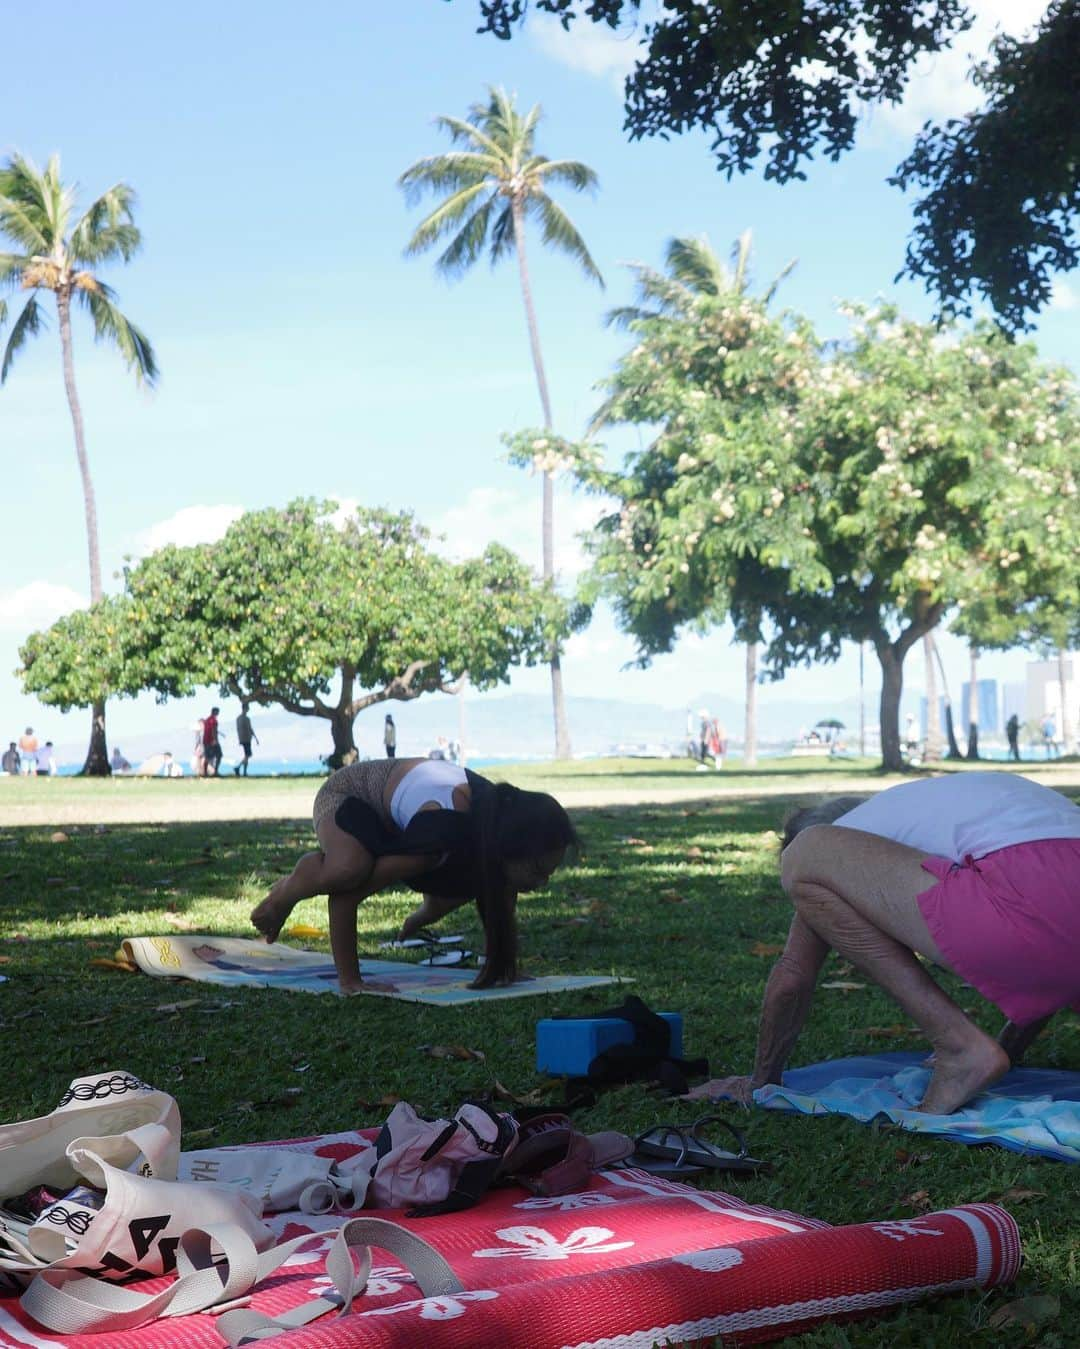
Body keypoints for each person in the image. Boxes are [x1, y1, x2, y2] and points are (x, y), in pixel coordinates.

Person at [689, 773, 1080, 1116]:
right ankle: (984, 1051)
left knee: (805, 859)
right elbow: (1057, 922)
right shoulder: (935, 808)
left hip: (1026, 906)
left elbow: (793, 974)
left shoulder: (848, 837)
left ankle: (961, 1048)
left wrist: (760, 1081)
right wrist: (1010, 1048)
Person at [250, 757, 577, 994]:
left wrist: (506, 971)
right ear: (511, 847)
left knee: (486, 879)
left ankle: (427, 908)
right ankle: (293, 886)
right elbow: (347, 898)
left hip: (410, 824)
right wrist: (351, 981)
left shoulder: (496, 824)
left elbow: (499, 904)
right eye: (537, 871)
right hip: (348, 794)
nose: (541, 883)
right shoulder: (443, 831)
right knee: (349, 871)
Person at [234, 702, 259, 776]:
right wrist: (255, 737)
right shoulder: (245, 718)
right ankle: (238, 767)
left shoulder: (238, 718)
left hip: (243, 738)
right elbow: (249, 729)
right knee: (248, 755)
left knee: (247, 755)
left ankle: (244, 772)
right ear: (245, 708)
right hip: (246, 739)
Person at [202, 707, 223, 776]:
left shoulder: (207, 720)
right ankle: (215, 771)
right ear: (215, 712)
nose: (218, 713)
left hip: (205, 741)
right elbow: (213, 731)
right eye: (217, 712)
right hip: (211, 741)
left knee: (207, 757)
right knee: (219, 755)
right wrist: (215, 740)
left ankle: (205, 772)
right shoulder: (214, 720)